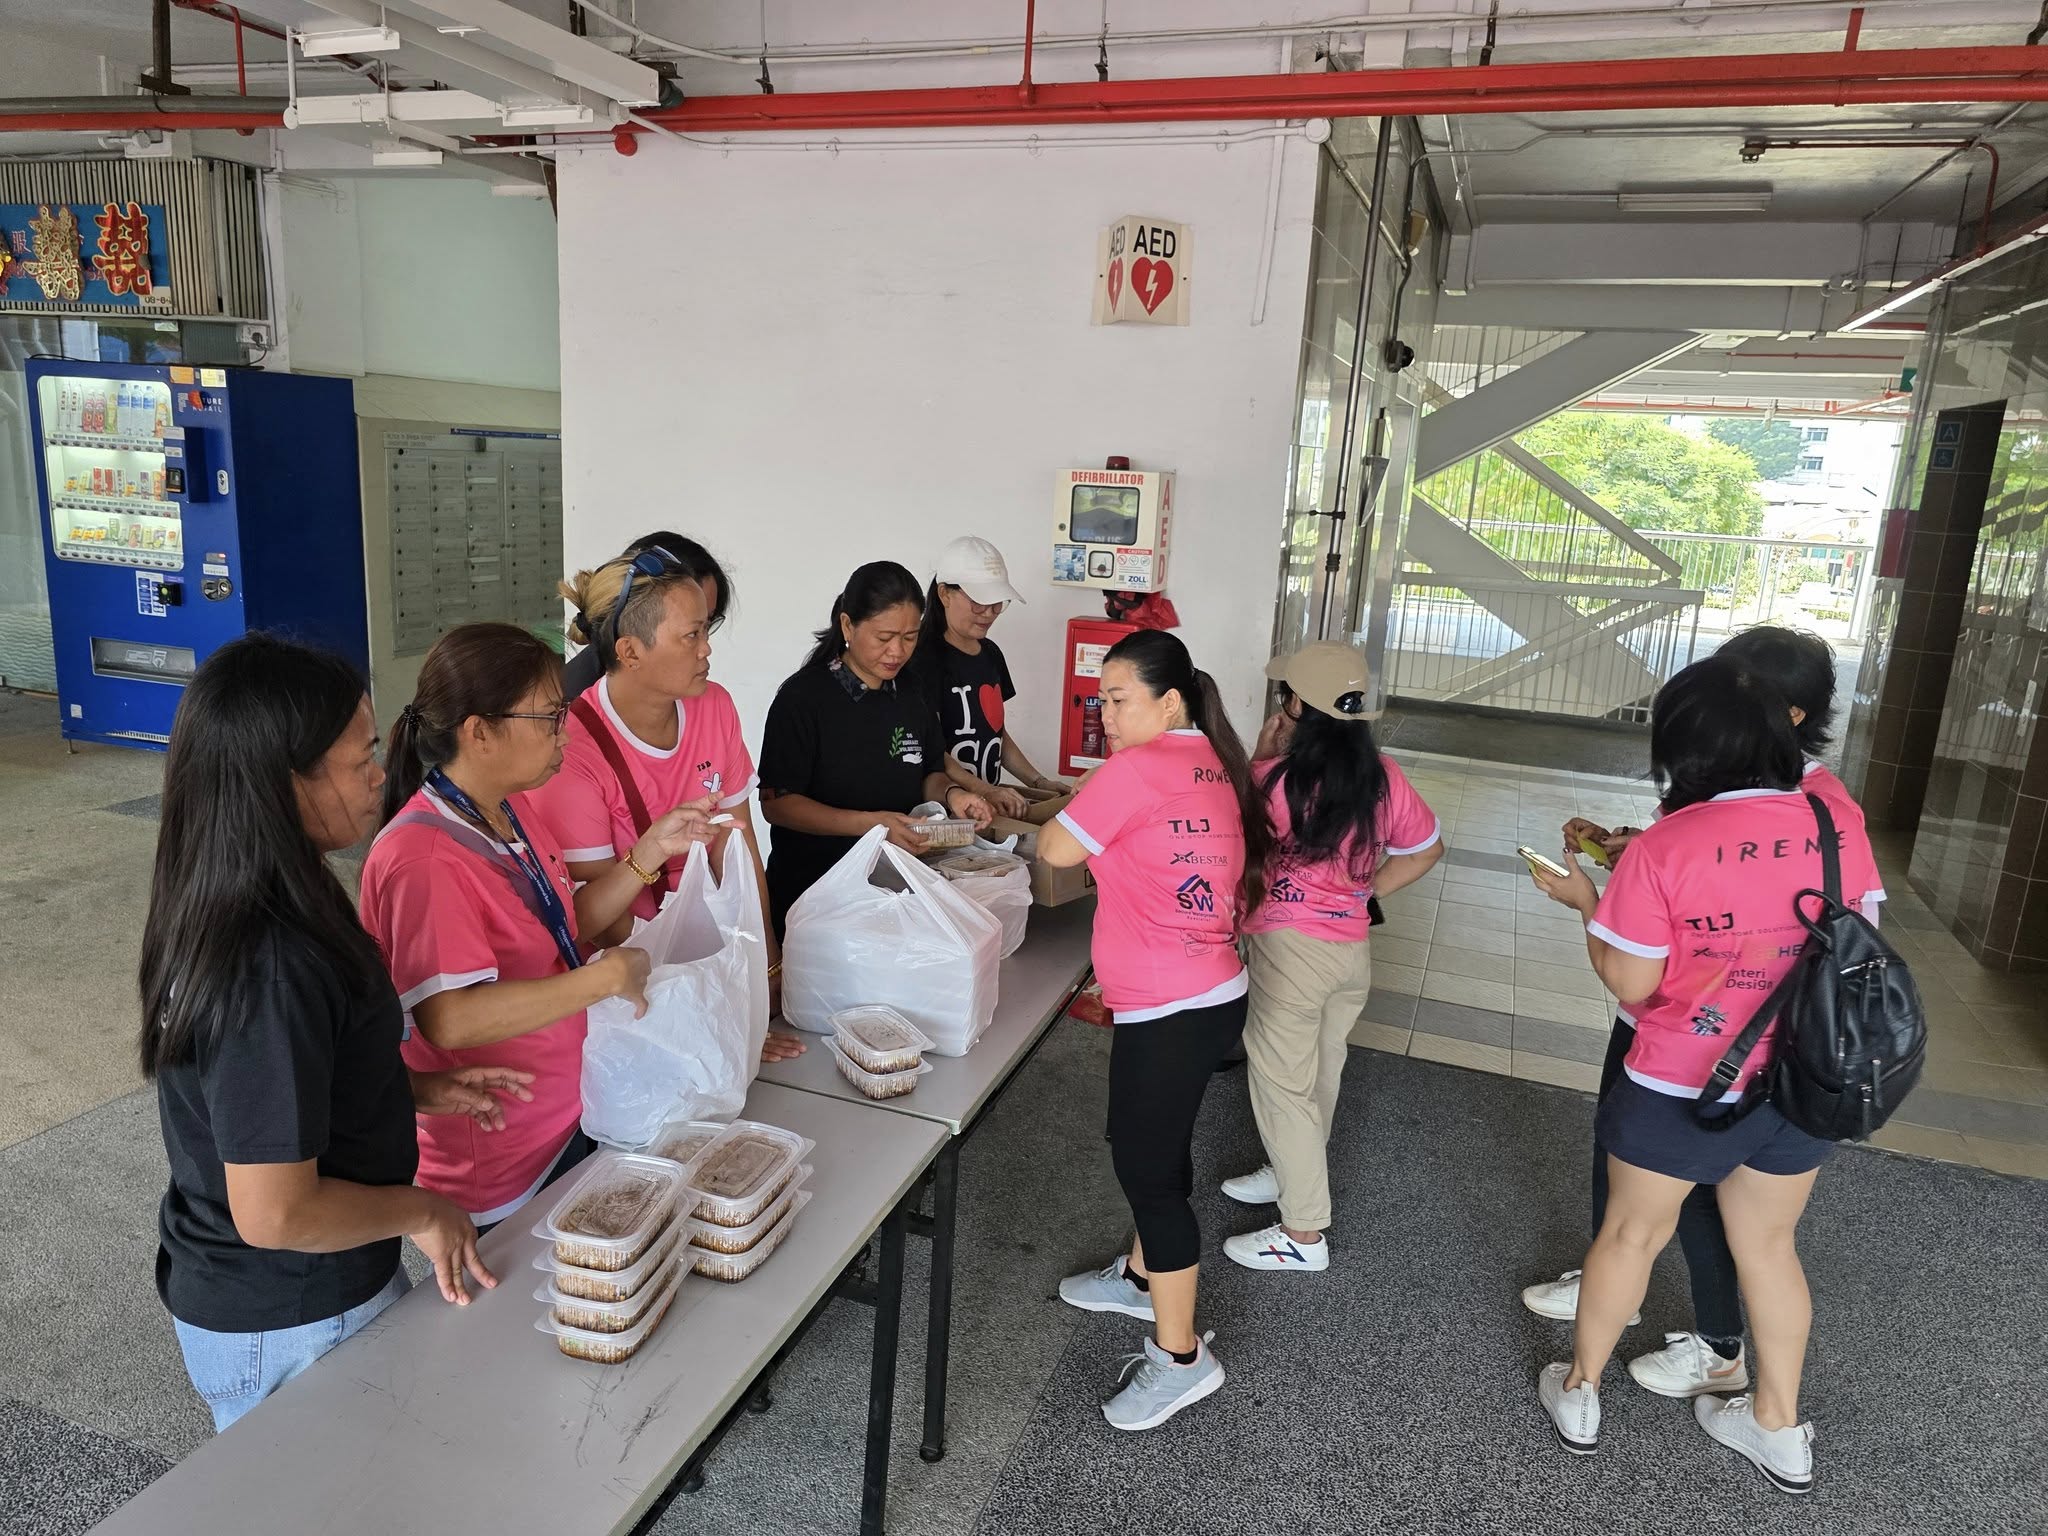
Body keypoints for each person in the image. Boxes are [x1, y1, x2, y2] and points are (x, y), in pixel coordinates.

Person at [142, 635, 525, 1432]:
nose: (380, 774)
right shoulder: (267, 962)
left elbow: (273, 1079)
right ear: (286, 783)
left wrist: (406, 1088)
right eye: (360, 760)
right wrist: (425, 1211)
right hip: (293, 1307)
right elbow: (275, 1213)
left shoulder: (248, 886)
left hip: (299, 1282)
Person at [1527, 655, 1884, 1492]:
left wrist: (1586, 904)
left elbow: (1632, 982)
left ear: (1681, 749)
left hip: (1681, 1080)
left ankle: (1581, 1394)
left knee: (1630, 1235)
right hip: (1798, 1079)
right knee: (1769, 1247)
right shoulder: (1836, 825)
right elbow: (1860, 940)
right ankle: (1777, 1427)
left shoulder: (1667, 845)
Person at [360, 623, 710, 1229]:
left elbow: (562, 929)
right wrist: (604, 980)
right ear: (479, 732)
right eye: (549, 718)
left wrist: (650, 851)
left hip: (570, 1114)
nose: (564, 735)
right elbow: (450, 1018)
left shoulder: (509, 808)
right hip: (503, 1154)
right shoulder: (425, 859)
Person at [1037, 630, 1270, 1431]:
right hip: (1208, 994)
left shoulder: (1136, 769)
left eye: (1118, 699)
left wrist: (1089, 788)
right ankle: (1141, 1280)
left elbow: (1055, 848)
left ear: (1168, 702)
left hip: (1171, 1006)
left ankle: (1181, 1359)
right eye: (1099, 699)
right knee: (1158, 1149)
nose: (1104, 715)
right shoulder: (1215, 760)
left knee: (1148, 1173)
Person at [1218, 642, 1443, 1273]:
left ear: (1296, 704)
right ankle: (1290, 1169)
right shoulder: (1382, 774)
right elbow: (1427, 848)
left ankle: (1303, 1233)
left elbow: (1232, 842)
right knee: (1320, 1070)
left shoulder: (1273, 780)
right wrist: (1364, 893)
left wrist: (1259, 758)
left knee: (1282, 1085)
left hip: (1289, 952)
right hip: (1349, 950)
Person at [533, 546, 801, 1060]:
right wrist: (698, 997)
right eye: (691, 635)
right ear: (631, 652)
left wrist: (763, 963)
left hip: (708, 965)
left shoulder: (714, 706)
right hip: (631, 996)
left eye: (707, 631)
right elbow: (595, 919)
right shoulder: (574, 750)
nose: (707, 650)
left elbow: (737, 848)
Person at [757, 560, 993, 937]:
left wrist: (954, 795)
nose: (897, 651)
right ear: (847, 625)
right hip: (815, 897)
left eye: (910, 637)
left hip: (891, 892)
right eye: (884, 637)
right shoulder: (803, 699)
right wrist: (872, 825)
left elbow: (928, 771)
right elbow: (777, 804)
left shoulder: (911, 691)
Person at [912, 536, 1070, 819]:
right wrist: (984, 790)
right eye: (979, 602)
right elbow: (931, 748)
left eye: (997, 603)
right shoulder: (922, 660)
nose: (989, 613)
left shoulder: (991, 654)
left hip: (984, 806)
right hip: (943, 811)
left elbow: (997, 734)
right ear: (945, 594)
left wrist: (1038, 781)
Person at [561, 531, 731, 702]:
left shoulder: (709, 700)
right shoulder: (568, 708)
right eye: (692, 631)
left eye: (707, 624)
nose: (705, 648)